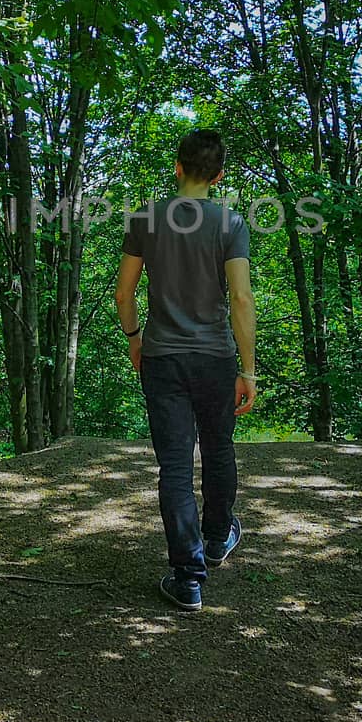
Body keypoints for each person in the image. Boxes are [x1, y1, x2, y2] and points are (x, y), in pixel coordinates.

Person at [114, 128, 257, 612]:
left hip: (162, 359)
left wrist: (136, 339)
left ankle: (187, 578)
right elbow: (240, 298)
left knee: (174, 464)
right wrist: (249, 370)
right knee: (218, 449)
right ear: (218, 175)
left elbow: (123, 293)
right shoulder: (230, 222)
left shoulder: (145, 219)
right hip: (215, 358)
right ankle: (218, 538)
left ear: (177, 167)